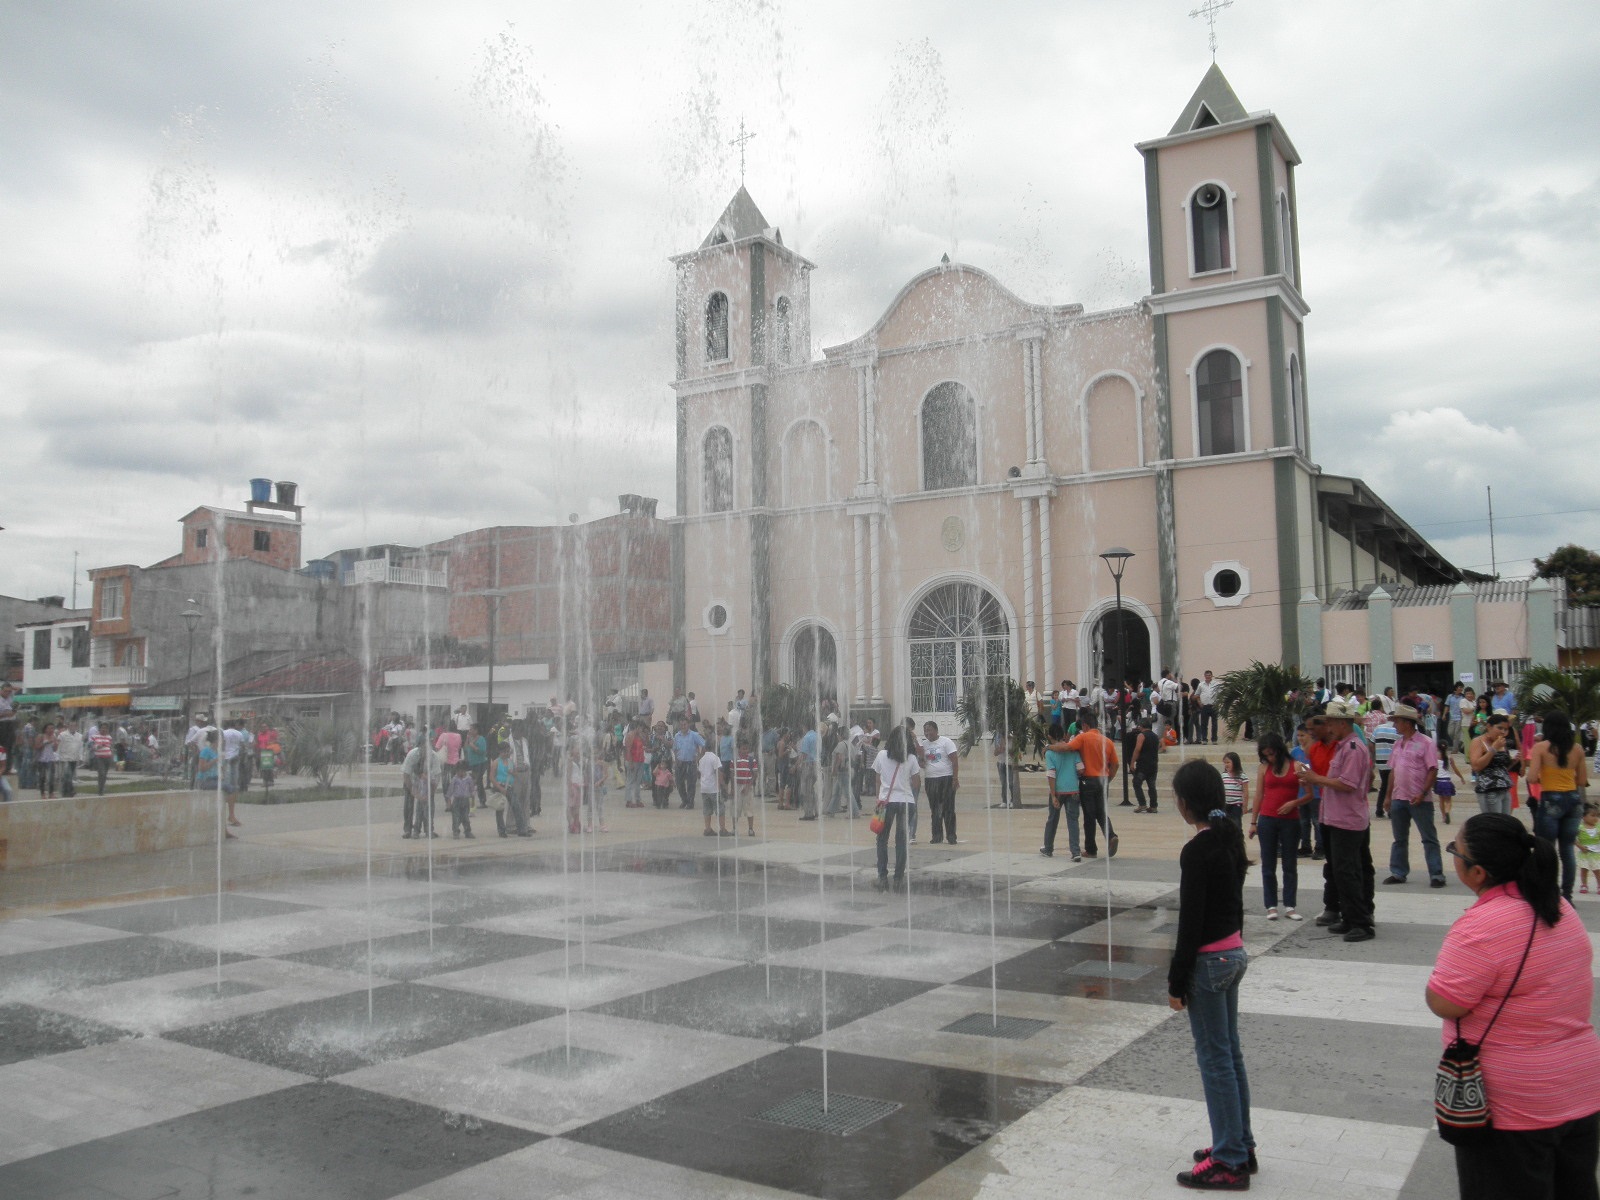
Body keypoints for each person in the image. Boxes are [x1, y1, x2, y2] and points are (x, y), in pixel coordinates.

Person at [1427, 813, 1600, 1198]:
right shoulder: (1558, 907)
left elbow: (1444, 1002)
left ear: (1477, 873)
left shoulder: (1481, 926)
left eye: (1455, 849)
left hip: (1513, 1105)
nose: (1453, 853)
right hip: (1579, 1087)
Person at [1168, 759, 1256, 1191]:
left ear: (1186, 803)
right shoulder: (1230, 837)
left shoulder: (1197, 849)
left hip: (1207, 963)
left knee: (1215, 1060)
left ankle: (1229, 1160)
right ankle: (1240, 1144)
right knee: (1229, 1054)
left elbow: (1191, 921)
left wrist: (1175, 980)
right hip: (1233, 954)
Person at [1296, 699, 1376, 941]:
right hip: (1335, 817)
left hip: (1347, 819)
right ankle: (1349, 917)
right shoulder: (1343, 746)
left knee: (1348, 870)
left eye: (1331, 722)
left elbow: (1347, 784)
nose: (1327, 727)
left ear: (1341, 723)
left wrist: (1315, 778)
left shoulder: (1353, 748)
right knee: (1341, 871)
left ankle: (1361, 922)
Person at [1380, 702, 1445, 889]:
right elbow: (1393, 771)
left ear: (1407, 723)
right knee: (1399, 838)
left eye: (1397, 722)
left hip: (1419, 798)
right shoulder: (1398, 744)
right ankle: (1398, 872)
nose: (1394, 726)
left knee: (1428, 837)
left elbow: (1432, 770)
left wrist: (1423, 792)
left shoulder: (1426, 743)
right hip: (1399, 797)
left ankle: (1436, 873)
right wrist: (1388, 796)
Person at [1526, 712, 1589, 901]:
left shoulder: (1541, 748)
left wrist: (1544, 777)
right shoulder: (1577, 749)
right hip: (1573, 799)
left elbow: (1531, 777)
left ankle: (1548, 892)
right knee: (1567, 850)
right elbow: (1583, 780)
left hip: (1551, 798)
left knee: (1546, 849)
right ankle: (1567, 895)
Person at [1251, 733, 1304, 921]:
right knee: (1268, 863)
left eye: (1272, 754)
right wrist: (1253, 822)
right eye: (1266, 755)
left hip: (1290, 819)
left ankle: (1290, 904)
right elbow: (1258, 795)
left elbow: (1309, 795)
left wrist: (1294, 803)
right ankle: (1271, 905)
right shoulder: (1264, 768)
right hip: (1268, 819)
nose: (1270, 758)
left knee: (1290, 863)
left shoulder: (1297, 766)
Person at [1055, 714, 1119, 858]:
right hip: (1103, 779)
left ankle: (1091, 849)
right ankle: (1111, 836)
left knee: (1089, 815)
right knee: (1101, 811)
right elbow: (1115, 764)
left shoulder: (1083, 738)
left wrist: (1050, 747)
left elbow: (1067, 747)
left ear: (1085, 726)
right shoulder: (1107, 741)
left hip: (1088, 780)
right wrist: (1108, 779)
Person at [872, 724, 920, 891]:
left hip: (885, 801)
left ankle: (882, 877)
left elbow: (878, 781)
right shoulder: (912, 758)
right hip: (907, 802)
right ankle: (898, 878)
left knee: (881, 840)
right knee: (901, 841)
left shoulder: (881, 755)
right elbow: (916, 783)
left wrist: (879, 800)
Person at [1039, 723, 1082, 861]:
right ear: (1064, 735)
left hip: (1058, 790)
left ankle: (1048, 847)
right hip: (1073, 790)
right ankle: (1075, 852)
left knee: (1052, 819)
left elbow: (1051, 774)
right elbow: (1081, 769)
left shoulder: (1050, 753)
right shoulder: (1073, 750)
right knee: (1073, 821)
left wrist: (1053, 795)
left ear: (1049, 736)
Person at [1468, 713, 1517, 816]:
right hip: (1490, 789)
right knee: (1494, 823)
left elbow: (1501, 768)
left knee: (1505, 823)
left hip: (1505, 788)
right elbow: (1476, 766)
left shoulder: (1500, 742)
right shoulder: (1478, 741)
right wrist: (1493, 749)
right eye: (1499, 728)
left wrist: (1514, 761)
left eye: (1505, 729)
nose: (1502, 732)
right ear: (1489, 726)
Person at [920, 720, 960, 845]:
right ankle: (937, 836)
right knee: (935, 809)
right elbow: (921, 762)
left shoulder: (946, 742)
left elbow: (954, 760)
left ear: (936, 730)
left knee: (948, 808)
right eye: (925, 731)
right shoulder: (924, 745)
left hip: (946, 778)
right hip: (931, 780)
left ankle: (951, 836)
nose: (927, 733)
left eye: (930, 730)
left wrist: (955, 778)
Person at [401, 740, 442, 838]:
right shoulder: (412, 755)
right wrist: (414, 792)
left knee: (429, 805)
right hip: (412, 780)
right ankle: (408, 830)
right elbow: (406, 775)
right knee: (409, 804)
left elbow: (437, 776)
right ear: (420, 748)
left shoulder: (434, 757)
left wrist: (430, 793)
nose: (426, 752)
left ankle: (429, 829)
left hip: (427, 783)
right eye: (424, 749)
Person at [672, 716, 704, 810]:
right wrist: (676, 759)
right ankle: (684, 800)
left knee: (691, 784)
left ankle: (690, 803)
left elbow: (704, 745)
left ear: (688, 724)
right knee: (679, 783)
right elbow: (674, 749)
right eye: (681, 725)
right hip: (680, 763)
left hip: (691, 763)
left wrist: (699, 758)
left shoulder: (694, 735)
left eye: (685, 724)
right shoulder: (677, 736)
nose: (683, 726)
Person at [1130, 717, 1160, 813]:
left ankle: (1142, 804)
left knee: (1136, 783)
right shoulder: (1156, 736)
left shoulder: (1141, 735)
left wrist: (1132, 763)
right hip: (1154, 764)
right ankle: (1153, 806)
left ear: (1142, 726)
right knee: (1152, 786)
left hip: (1143, 765)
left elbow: (1137, 749)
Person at [698, 738, 727, 837]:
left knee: (707, 809)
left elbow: (701, 772)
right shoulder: (715, 758)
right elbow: (718, 772)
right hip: (713, 788)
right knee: (720, 809)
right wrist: (722, 785)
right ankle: (722, 829)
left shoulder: (701, 759)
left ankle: (708, 828)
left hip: (704, 788)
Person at [447, 763, 475, 838]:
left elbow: (472, 790)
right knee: (456, 817)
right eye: (458, 771)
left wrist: (472, 801)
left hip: (465, 800)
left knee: (466, 817)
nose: (460, 773)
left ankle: (467, 831)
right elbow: (450, 792)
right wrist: (449, 803)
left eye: (462, 771)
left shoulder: (469, 779)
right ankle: (456, 831)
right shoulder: (454, 779)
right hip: (457, 800)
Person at [1220, 752, 1248, 825]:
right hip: (1225, 804)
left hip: (1236, 804)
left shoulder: (1242, 776)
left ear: (1235, 762)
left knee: (1236, 823)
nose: (1226, 764)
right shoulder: (1223, 775)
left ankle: (1238, 835)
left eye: (1228, 762)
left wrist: (1245, 806)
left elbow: (1245, 792)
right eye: (1225, 763)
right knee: (1224, 823)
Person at [1578, 805, 1600, 895]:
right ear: (1584, 817)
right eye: (1592, 815)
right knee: (1584, 869)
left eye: (1597, 816)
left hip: (1596, 853)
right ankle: (1584, 884)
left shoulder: (1598, 827)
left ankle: (1599, 885)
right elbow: (1573, 839)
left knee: (1597, 870)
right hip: (1584, 853)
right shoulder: (1580, 828)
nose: (1595, 818)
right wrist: (1580, 846)